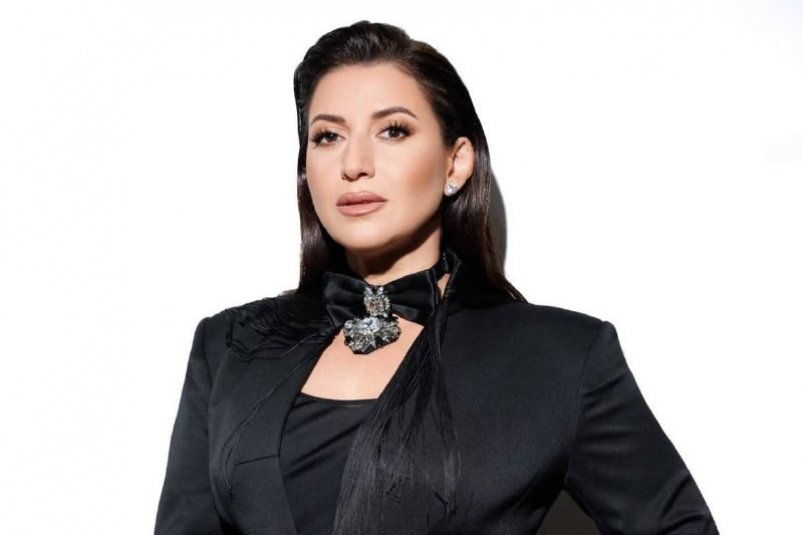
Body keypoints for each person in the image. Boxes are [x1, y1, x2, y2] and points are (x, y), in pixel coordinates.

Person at [154, 20, 718, 535]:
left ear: (456, 162)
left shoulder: (561, 357)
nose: (354, 164)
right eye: (328, 136)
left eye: (393, 131)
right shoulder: (227, 347)